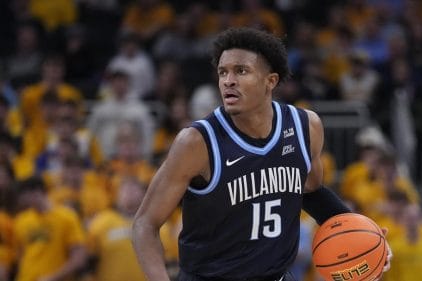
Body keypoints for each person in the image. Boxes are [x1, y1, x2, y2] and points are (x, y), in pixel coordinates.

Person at [132, 27, 391, 281]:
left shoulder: (305, 127)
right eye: (223, 72)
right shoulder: (197, 142)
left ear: (271, 81)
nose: (228, 81)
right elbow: (145, 224)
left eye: (241, 71)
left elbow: (310, 190)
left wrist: (366, 235)